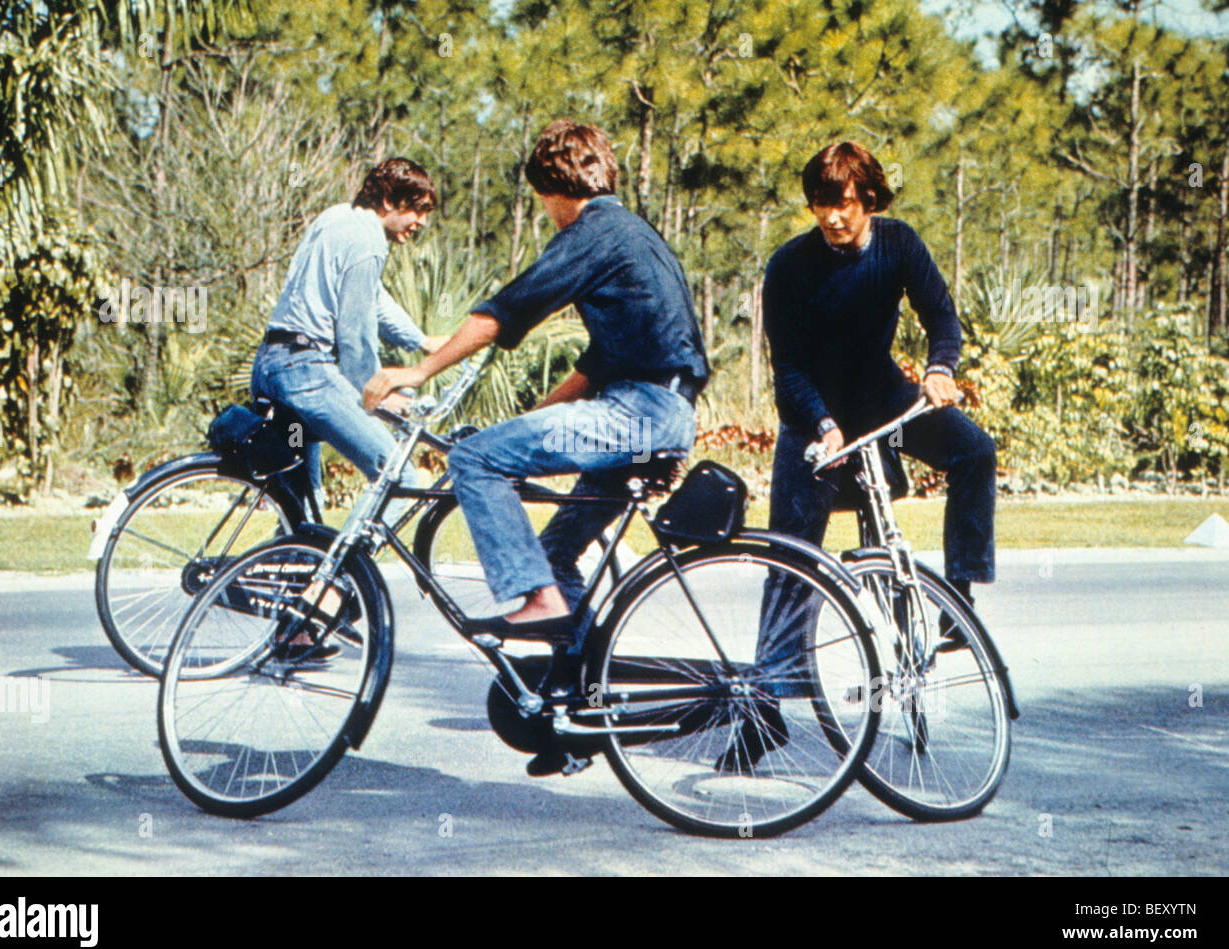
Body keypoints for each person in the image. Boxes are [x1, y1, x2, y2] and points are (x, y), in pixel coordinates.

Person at [366, 120, 708, 719]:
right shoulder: (635, 236)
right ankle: (573, 705)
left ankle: (538, 602)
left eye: (542, 200)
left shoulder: (593, 230)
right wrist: (535, 419)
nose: (546, 213)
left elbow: (507, 310)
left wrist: (419, 372)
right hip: (661, 412)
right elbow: (601, 361)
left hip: (639, 414)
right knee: (555, 553)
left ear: (553, 187)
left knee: (473, 457)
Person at [743, 140, 997, 770]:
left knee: (973, 452)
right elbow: (788, 368)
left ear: (872, 202)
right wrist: (823, 425)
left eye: (847, 205)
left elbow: (941, 314)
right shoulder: (790, 266)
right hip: (814, 415)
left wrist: (940, 368)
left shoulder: (898, 244)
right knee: (791, 554)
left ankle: (957, 603)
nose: (833, 217)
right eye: (822, 205)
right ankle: (764, 710)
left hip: (886, 406)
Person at [250, 158, 447, 509]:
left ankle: (300, 558)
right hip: (306, 372)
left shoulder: (335, 217)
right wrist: (377, 389)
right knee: (397, 475)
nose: (422, 222)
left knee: (301, 501)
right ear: (388, 201)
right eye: (417, 210)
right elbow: (355, 335)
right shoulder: (369, 240)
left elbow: (373, 297)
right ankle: (351, 563)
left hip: (270, 365)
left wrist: (419, 340)